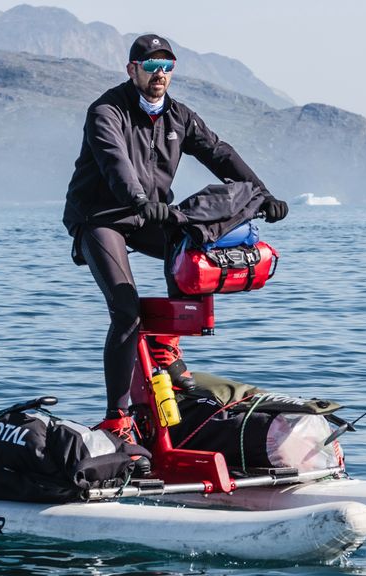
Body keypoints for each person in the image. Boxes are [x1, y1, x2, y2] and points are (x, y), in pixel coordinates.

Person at [62, 34, 289, 441]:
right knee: (126, 311)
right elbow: (115, 163)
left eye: (167, 67)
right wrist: (138, 200)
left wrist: (264, 195)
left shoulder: (180, 115)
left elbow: (220, 154)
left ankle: (165, 345)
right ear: (133, 70)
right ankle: (118, 417)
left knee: (194, 245)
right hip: (101, 217)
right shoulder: (106, 111)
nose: (160, 75)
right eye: (151, 67)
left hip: (152, 214)